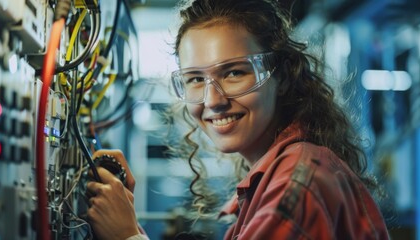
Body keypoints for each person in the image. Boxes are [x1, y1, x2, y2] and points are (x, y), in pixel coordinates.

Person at [86, 0, 390, 239]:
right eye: (194, 79)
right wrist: (126, 225)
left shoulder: (297, 184)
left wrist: (127, 238)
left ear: (282, 76)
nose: (213, 101)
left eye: (234, 73)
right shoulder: (282, 173)